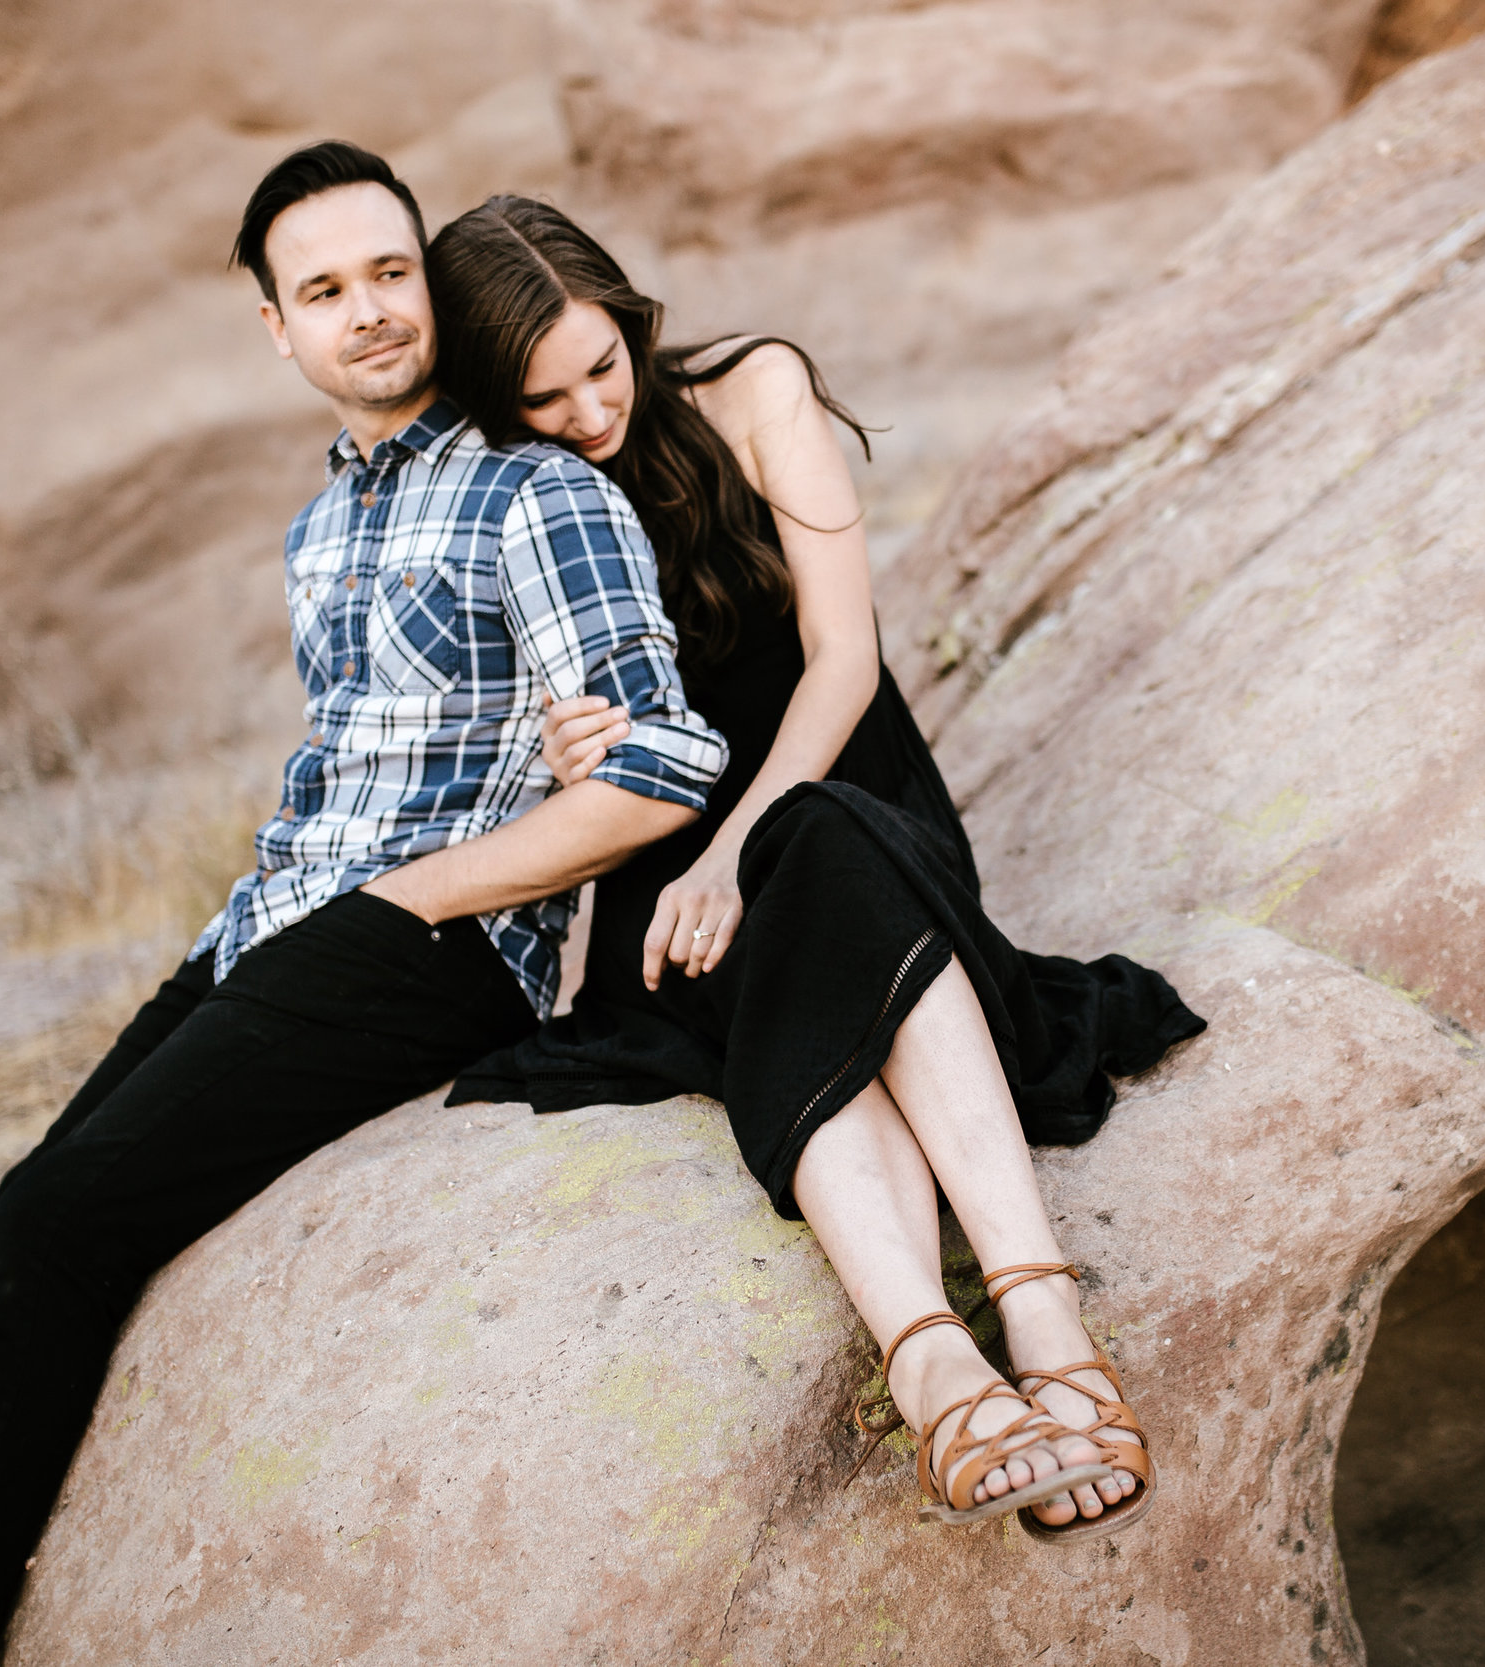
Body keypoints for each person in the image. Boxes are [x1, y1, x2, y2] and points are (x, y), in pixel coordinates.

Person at [0, 144, 725, 1667]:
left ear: (433, 284)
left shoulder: (535, 492)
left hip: (431, 949)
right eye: (324, 290)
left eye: (392, 273)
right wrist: (283, 918)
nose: (370, 312)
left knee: (62, 1228)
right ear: (275, 327)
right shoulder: (319, 532)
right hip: (270, 936)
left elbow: (661, 769)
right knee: (1, 1240)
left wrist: (405, 902)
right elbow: (339, 776)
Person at [434, 197, 1206, 1539]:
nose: (590, 413)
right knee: (777, 970)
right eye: (544, 400)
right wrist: (564, 749)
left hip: (837, 792)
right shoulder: (501, 499)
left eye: (602, 367)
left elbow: (844, 659)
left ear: (630, 322)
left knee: (826, 857)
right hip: (659, 862)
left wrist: (735, 854)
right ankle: (940, 1365)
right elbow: (499, 757)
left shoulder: (752, 392)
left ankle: (1037, 1317)